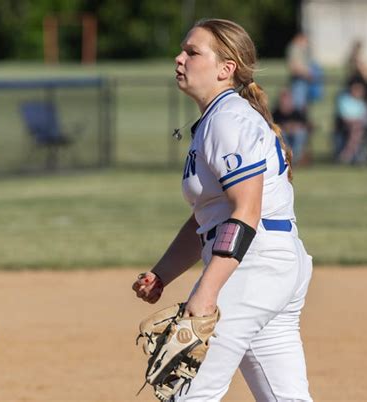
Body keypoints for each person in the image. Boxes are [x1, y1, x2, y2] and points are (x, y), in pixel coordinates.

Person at [132, 18, 313, 401]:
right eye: (182, 50)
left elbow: (245, 212)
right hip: (269, 262)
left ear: (225, 69)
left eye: (193, 52)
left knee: (192, 393)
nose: (179, 59)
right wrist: (162, 273)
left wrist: (207, 291)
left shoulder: (228, 121)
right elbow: (207, 217)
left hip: (252, 266)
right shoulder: (221, 118)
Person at [272, 87, 311, 165]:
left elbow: (305, 125)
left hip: (295, 134)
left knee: (300, 134)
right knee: (281, 135)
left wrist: (294, 127)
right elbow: (272, 126)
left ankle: (294, 159)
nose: (285, 101)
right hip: (283, 135)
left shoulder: (297, 112)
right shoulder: (276, 112)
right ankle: (285, 158)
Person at [335, 79, 367, 164]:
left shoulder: (361, 102)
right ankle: (350, 154)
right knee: (356, 130)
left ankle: (347, 154)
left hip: (357, 124)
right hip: (346, 123)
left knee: (357, 129)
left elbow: (363, 115)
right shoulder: (344, 100)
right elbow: (343, 114)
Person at [285, 32, 313, 111]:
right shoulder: (295, 49)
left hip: (303, 81)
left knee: (303, 105)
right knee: (298, 105)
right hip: (299, 80)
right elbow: (294, 66)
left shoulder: (299, 49)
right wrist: (307, 73)